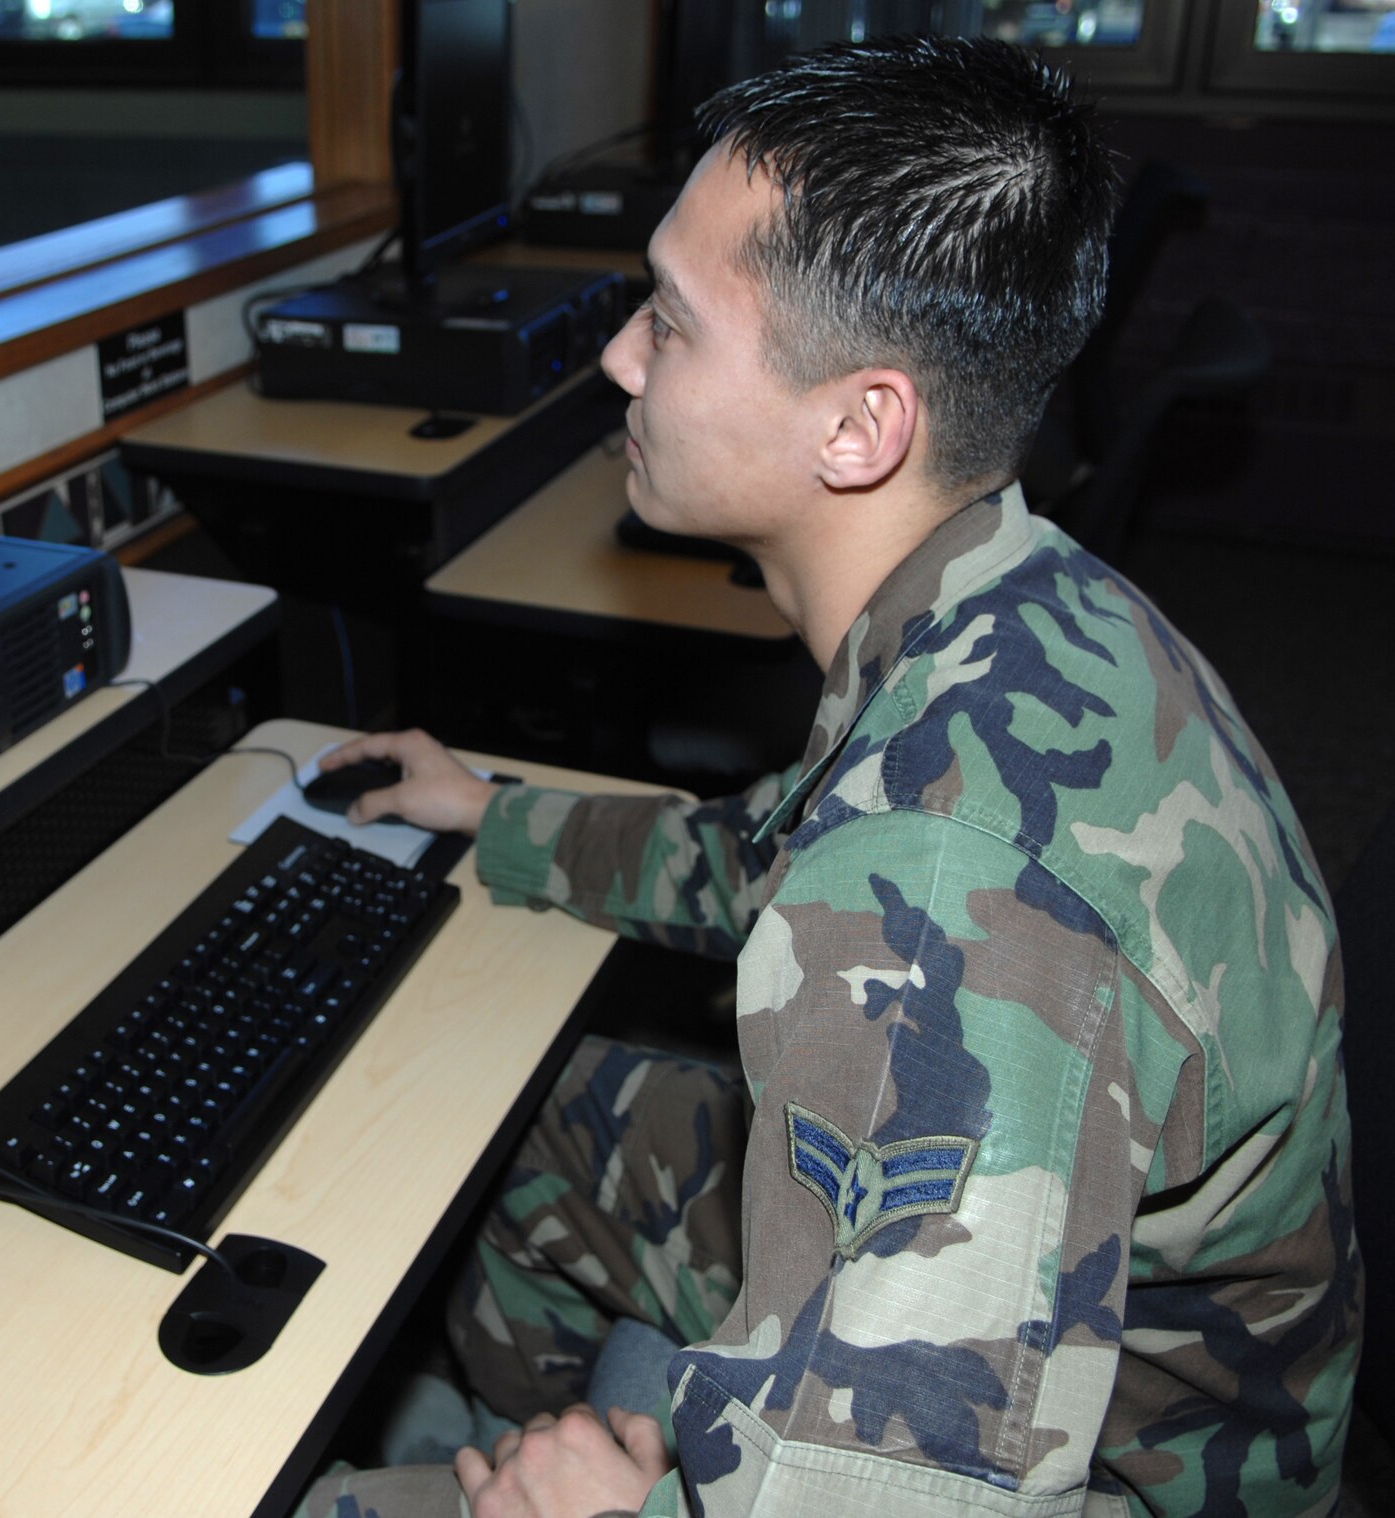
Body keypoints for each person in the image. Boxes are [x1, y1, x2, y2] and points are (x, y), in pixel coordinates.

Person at [303, 34, 1359, 1518]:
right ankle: (508, 1439)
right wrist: (496, 815)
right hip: (1096, 1343)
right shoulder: (1014, 597)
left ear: (860, 425)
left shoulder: (943, 884)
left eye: (668, 322)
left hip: (1114, 1472)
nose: (620, 355)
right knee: (542, 1116)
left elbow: (912, 1493)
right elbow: (778, 858)